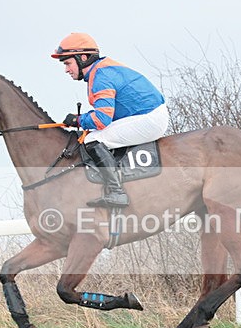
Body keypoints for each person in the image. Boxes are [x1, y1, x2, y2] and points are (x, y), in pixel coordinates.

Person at [51, 32, 169, 208]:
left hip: (149, 118)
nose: (66, 69)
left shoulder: (101, 77)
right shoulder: (101, 70)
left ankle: (117, 192)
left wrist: (78, 120)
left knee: (93, 139)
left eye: (68, 63)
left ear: (82, 58)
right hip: (148, 114)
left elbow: (102, 119)